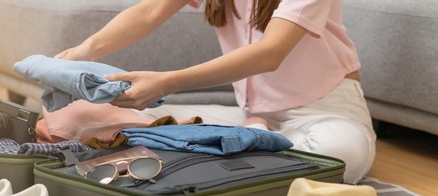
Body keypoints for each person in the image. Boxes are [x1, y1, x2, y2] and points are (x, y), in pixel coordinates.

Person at [53, 0, 375, 184]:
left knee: (342, 155)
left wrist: (166, 81)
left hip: (322, 112)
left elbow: (271, 53)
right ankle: (248, 145)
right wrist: (84, 50)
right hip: (250, 116)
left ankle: (244, 142)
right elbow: (150, 11)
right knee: (90, 118)